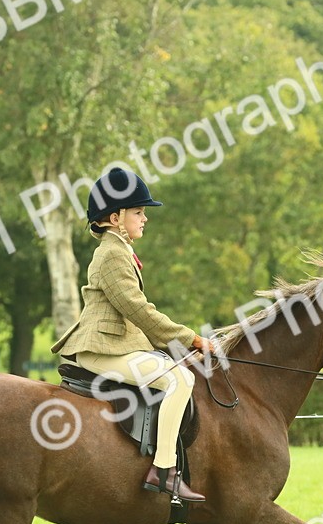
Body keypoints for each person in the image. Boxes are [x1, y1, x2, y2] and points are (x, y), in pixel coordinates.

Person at [51, 168, 214, 502]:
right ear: (115, 217)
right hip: (102, 349)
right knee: (179, 380)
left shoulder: (119, 250)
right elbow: (138, 310)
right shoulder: (112, 253)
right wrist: (190, 339)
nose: (144, 219)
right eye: (139, 212)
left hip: (116, 345)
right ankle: (165, 470)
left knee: (176, 370)